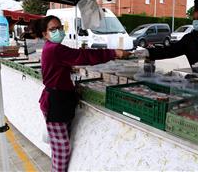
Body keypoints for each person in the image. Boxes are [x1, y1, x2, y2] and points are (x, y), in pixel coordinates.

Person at [32, 15, 130, 171]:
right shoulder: (54, 48)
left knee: (60, 146)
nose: (58, 31)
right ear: (45, 34)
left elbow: (62, 67)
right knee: (62, 150)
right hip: (55, 103)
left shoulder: (52, 48)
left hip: (61, 100)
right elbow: (83, 56)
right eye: (53, 29)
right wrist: (113, 53)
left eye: (59, 28)